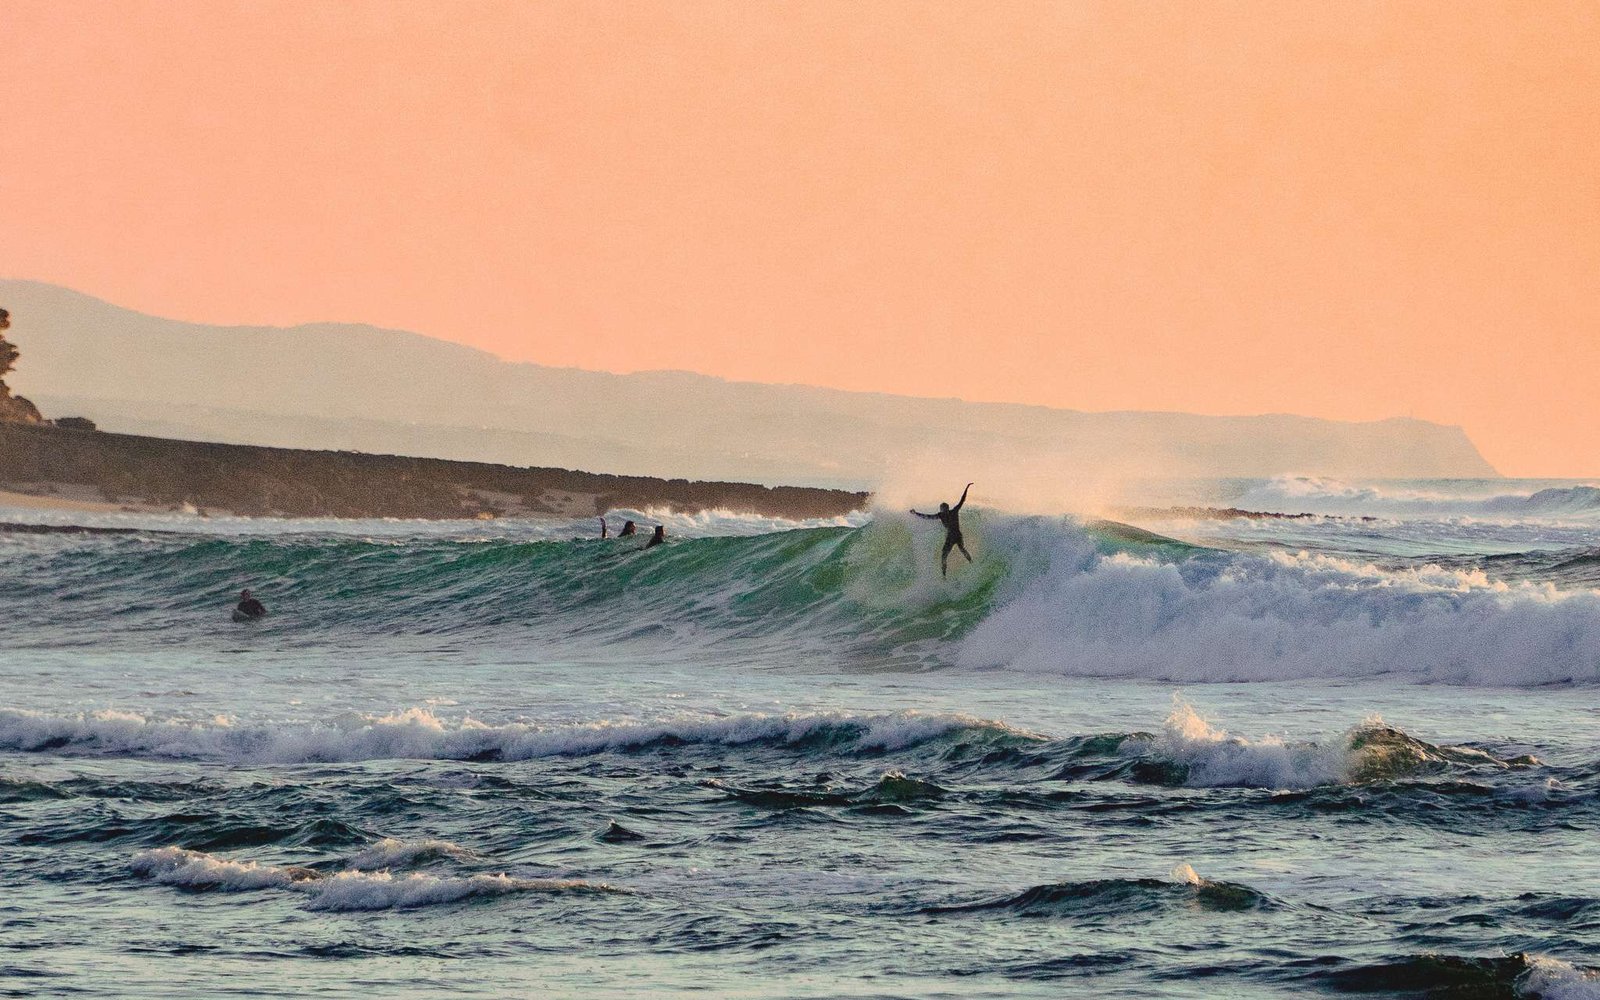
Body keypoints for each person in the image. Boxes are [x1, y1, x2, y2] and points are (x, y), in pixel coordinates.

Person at [911, 483, 974, 577]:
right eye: (943, 510)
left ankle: (947, 574)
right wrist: (916, 513)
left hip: (954, 536)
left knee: (952, 553)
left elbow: (962, 500)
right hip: (954, 536)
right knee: (953, 552)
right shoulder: (948, 513)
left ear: (945, 509)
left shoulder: (948, 513)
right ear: (943, 509)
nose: (944, 511)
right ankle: (967, 564)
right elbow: (928, 517)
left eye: (944, 509)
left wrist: (967, 488)